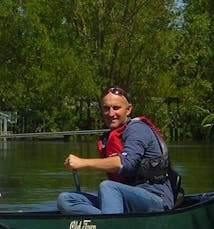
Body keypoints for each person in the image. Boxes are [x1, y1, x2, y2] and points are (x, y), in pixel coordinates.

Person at [57, 86, 175, 215]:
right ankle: (105, 223)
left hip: (156, 200)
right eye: (106, 108)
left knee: (108, 186)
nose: (111, 113)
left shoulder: (137, 129)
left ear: (128, 109)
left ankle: (110, 227)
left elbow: (125, 163)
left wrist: (83, 163)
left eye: (116, 108)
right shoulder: (112, 135)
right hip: (126, 198)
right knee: (67, 199)